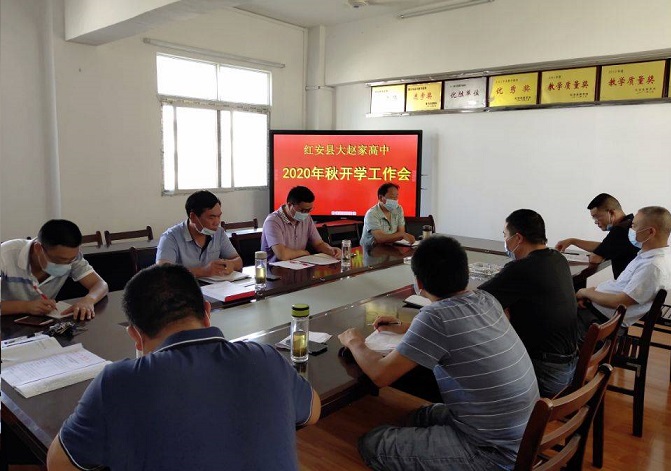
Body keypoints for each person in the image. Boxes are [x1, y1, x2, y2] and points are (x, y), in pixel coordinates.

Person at [46, 264, 320, 471]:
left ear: (135, 335)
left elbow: (58, 463)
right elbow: (312, 411)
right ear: (207, 312)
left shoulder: (117, 382)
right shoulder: (266, 357)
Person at [338, 236, 539, 471]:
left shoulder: (435, 317)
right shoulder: (486, 299)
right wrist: (406, 327)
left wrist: (354, 342)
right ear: (465, 271)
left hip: (492, 452)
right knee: (421, 416)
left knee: (373, 443)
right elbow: (457, 327)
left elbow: (381, 375)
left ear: (418, 283)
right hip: (522, 430)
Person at [479, 209, 578, 398]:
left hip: (545, 373)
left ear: (518, 238)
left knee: (471, 367)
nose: (505, 241)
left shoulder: (522, 268)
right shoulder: (558, 259)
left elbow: (476, 302)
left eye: (505, 235)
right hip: (567, 366)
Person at [576, 206, 671, 336]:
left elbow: (619, 302)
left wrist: (586, 292)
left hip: (599, 321)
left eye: (634, 226)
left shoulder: (653, 266)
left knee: (550, 314)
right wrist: (591, 295)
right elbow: (619, 288)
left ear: (650, 232)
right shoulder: (648, 256)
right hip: (596, 311)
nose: (630, 230)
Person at [1, 219, 108, 320]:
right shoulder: (5, 254)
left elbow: (100, 284)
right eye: (60, 260)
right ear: (38, 248)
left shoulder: (71, 256)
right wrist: (26, 306)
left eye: (71, 260)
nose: (66, 264)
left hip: (43, 321)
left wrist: (89, 300)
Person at [156, 190, 242, 277]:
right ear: (193, 217)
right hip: (185, 285)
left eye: (219, 216)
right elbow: (163, 272)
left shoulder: (219, 233)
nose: (217, 222)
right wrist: (203, 271)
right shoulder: (170, 237)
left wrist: (231, 264)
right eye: (211, 217)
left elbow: (238, 261)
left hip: (216, 284)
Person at [555, 193, 639, 279]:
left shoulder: (620, 230)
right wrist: (572, 241)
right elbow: (604, 247)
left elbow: (595, 259)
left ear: (611, 212)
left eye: (596, 217)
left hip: (625, 284)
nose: (596, 222)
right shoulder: (630, 223)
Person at [261, 185, 341, 263]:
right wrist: (304, 252)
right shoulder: (273, 221)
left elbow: (318, 243)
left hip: (299, 265)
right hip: (275, 268)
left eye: (309, 210)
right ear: (289, 205)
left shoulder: (307, 218)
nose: (305, 213)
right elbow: (282, 255)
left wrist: (330, 250)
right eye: (302, 210)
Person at [360, 183, 416, 247]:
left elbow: (401, 231)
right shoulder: (372, 214)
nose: (395, 200)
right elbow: (380, 238)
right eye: (392, 197)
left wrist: (400, 235)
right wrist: (401, 235)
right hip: (371, 249)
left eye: (396, 197)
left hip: (391, 247)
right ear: (381, 197)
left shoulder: (398, 209)